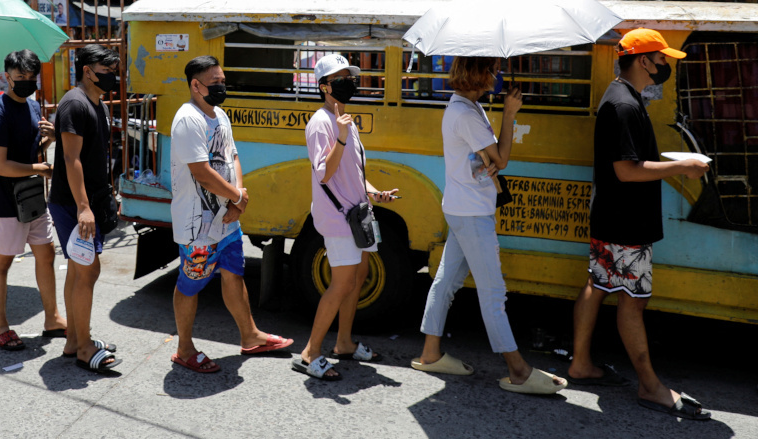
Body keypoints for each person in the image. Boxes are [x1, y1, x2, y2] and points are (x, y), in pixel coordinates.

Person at [568, 29, 712, 419]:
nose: (665, 65)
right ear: (643, 61)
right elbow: (627, 171)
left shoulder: (622, 97)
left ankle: (580, 363)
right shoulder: (624, 105)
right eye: (661, 58)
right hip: (626, 222)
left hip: (611, 216)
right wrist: (682, 166)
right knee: (634, 301)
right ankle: (650, 386)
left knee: (597, 285)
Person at [412, 57, 567, 395]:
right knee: (493, 292)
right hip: (471, 213)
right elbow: (501, 159)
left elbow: (485, 158)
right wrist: (510, 114)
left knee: (447, 280)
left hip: (462, 207)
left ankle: (430, 353)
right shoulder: (467, 114)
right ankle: (518, 370)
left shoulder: (465, 107)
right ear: (478, 73)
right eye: (493, 71)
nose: (497, 77)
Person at [168, 55, 292, 374]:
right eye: (215, 83)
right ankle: (183, 348)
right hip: (198, 225)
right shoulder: (188, 119)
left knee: (233, 273)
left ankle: (250, 336)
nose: (222, 87)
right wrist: (237, 195)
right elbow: (202, 172)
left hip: (227, 219)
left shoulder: (220, 115)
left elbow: (232, 155)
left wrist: (239, 200)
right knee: (190, 283)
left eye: (223, 81)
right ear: (196, 86)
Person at [297, 54, 399, 380]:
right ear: (325, 87)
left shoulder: (345, 120)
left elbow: (352, 171)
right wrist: (340, 136)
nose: (349, 83)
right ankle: (310, 353)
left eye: (350, 77)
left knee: (359, 276)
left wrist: (373, 192)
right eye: (341, 78)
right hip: (339, 219)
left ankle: (343, 343)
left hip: (359, 215)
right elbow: (324, 173)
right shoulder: (322, 123)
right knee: (340, 285)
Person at [0, 49, 65, 350]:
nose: (26, 82)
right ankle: (1, 326)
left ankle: (52, 318)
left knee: (46, 255)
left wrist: (51, 137)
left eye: (31, 78)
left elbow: (30, 149)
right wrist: (42, 170)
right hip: (5, 201)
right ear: (7, 76)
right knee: (2, 263)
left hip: (31, 197)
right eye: (20, 78)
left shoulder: (32, 106)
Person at [49, 44, 122, 372]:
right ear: (87, 70)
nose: (111, 75)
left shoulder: (98, 105)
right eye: (104, 69)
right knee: (88, 269)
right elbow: (71, 158)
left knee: (79, 269)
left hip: (92, 199)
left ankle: (74, 340)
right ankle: (84, 345)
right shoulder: (74, 103)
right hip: (72, 204)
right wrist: (83, 207)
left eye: (113, 69)